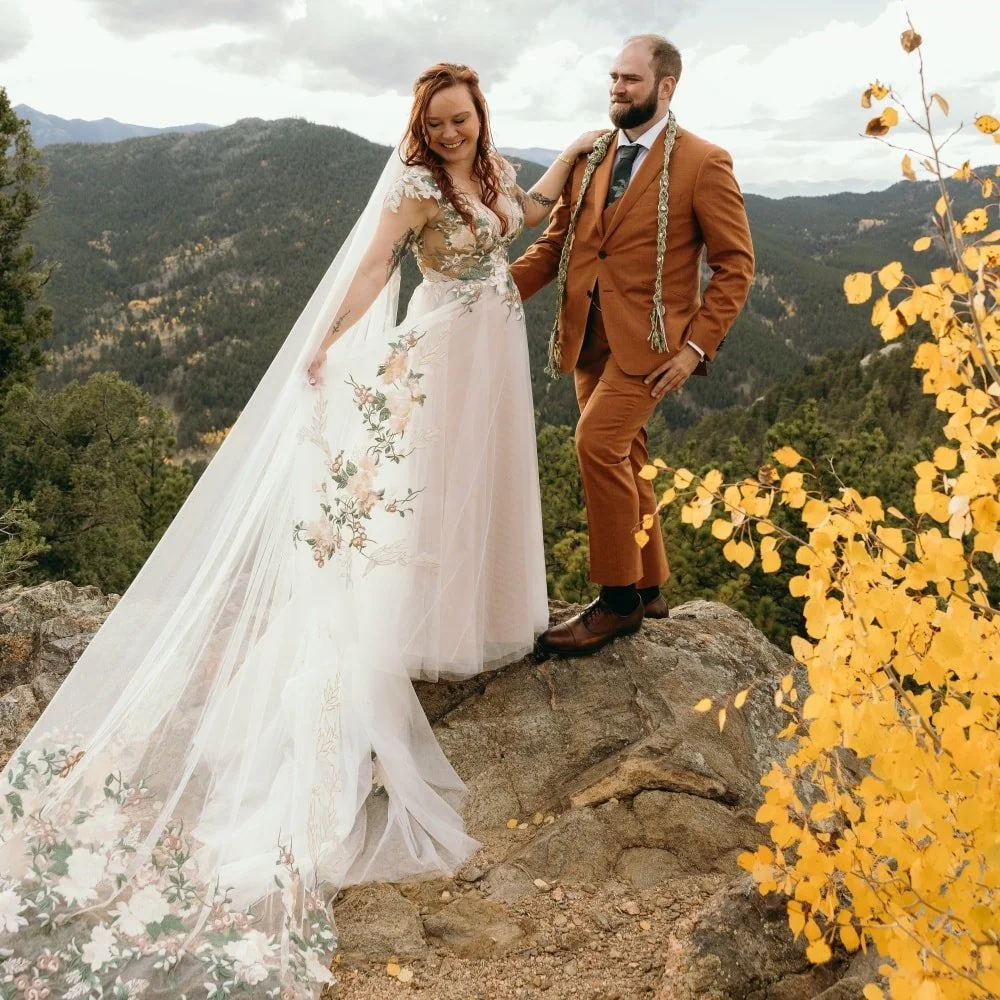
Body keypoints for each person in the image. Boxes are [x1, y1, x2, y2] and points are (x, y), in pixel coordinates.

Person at [0, 64, 604, 998]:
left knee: (480, 485)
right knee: (424, 493)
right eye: (437, 123)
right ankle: (415, 625)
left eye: (461, 119)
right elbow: (373, 266)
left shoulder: (493, 171)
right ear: (422, 126)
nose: (450, 132)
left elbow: (520, 217)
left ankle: (480, 613)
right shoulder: (414, 187)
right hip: (441, 350)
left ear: (481, 116)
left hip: (495, 351)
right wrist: (326, 339)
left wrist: (568, 159)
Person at [512, 34, 755, 654]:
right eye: (614, 78)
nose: (617, 89)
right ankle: (648, 587)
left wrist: (695, 350)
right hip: (589, 337)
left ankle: (618, 602)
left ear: (666, 87)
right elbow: (559, 243)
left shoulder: (704, 161)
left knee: (596, 444)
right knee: (627, 456)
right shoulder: (592, 156)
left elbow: (735, 266)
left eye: (630, 80)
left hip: (653, 344)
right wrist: (493, 294)